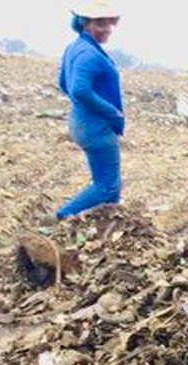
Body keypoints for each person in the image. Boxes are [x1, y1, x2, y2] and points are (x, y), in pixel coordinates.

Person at [56, 1, 124, 219]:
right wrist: (112, 112)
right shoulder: (89, 54)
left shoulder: (76, 48)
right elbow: (79, 89)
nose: (106, 29)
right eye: (99, 23)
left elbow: (64, 83)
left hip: (83, 123)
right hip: (96, 127)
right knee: (107, 187)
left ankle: (102, 226)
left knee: (108, 184)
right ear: (84, 23)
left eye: (108, 24)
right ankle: (61, 217)